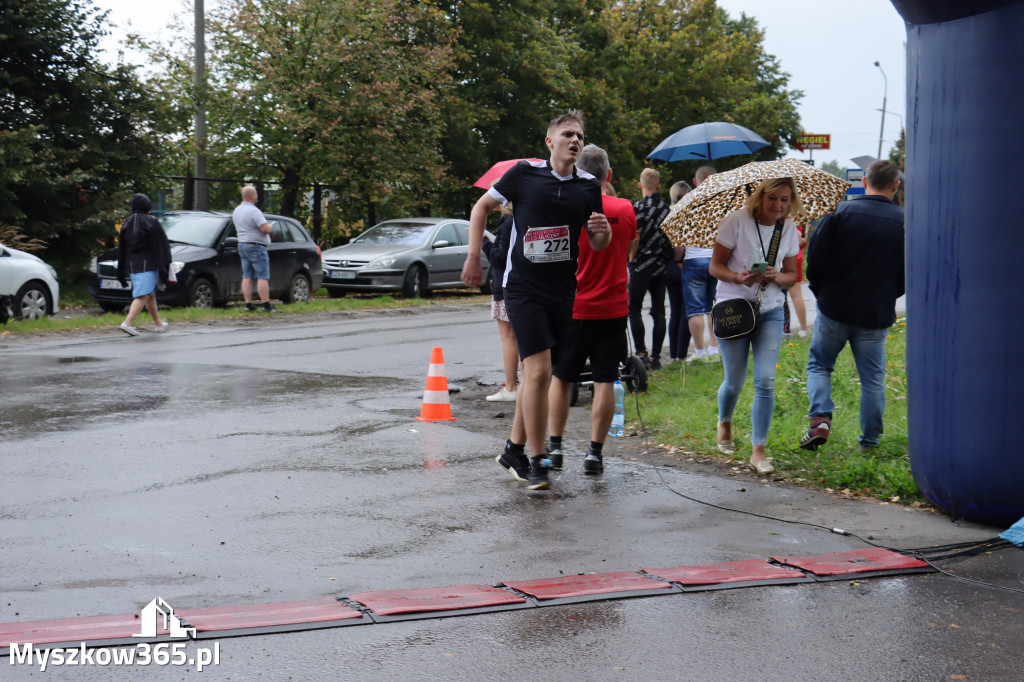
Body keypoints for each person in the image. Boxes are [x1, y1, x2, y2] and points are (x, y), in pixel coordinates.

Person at [461, 110, 611, 490]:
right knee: (540, 371)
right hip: (522, 287)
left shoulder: (589, 186)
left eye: (579, 135)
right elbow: (481, 208)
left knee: (537, 377)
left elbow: (597, 242)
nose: (574, 140)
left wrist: (603, 232)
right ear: (550, 141)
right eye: (567, 134)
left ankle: (513, 448)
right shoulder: (524, 174)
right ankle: (537, 460)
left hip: (562, 291)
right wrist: (473, 256)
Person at [800, 160, 905, 452]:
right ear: (895, 186)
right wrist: (889, 295)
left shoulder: (840, 213)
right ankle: (869, 442)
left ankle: (820, 419)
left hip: (834, 306)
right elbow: (907, 272)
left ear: (865, 181)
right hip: (874, 313)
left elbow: (816, 259)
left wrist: (820, 291)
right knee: (873, 379)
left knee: (820, 365)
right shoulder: (905, 222)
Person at [547, 144, 637, 474]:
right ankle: (594, 454)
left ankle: (554, 448)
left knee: (561, 378)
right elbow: (627, 248)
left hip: (573, 306)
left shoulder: (565, 207)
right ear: (609, 175)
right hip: (613, 307)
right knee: (605, 380)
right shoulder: (625, 208)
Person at [709, 178, 801, 474]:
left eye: (785, 200)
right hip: (734, 310)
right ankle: (724, 422)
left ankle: (758, 451)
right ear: (760, 197)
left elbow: (792, 276)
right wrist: (738, 278)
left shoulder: (787, 229)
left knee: (765, 381)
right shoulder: (735, 222)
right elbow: (715, 267)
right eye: (772, 198)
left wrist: (776, 277)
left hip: (770, 311)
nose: (778, 205)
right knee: (734, 381)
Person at [628, 168, 672, 370]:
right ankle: (656, 358)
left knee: (634, 309)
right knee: (659, 312)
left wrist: (631, 258)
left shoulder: (637, 208)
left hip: (641, 265)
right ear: (659, 186)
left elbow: (635, 237)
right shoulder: (666, 209)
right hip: (660, 265)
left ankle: (641, 353)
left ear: (640, 185)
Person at [116, 193, 171, 336]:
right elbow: (161, 244)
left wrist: (122, 267)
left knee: (150, 294)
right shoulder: (151, 221)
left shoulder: (127, 222)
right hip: (149, 264)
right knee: (143, 295)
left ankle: (158, 324)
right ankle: (127, 323)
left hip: (132, 265)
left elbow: (122, 247)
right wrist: (165, 263)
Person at [682, 164, 721, 363]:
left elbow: (678, 237)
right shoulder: (721, 203)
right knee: (714, 307)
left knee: (695, 309)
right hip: (716, 260)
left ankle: (699, 352)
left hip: (693, 259)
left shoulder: (687, 203)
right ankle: (715, 349)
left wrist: (678, 259)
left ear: (695, 182)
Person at [481, 204, 519, 402]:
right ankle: (522, 382)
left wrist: (484, 242)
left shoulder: (507, 222)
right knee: (519, 336)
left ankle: (511, 386)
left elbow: (500, 257)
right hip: (520, 283)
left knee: (508, 337)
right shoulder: (521, 217)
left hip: (505, 285)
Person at [233, 185, 279, 313]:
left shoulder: (237, 210)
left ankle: (248, 304)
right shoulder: (254, 211)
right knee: (262, 276)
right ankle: (266, 305)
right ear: (252, 196)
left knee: (247, 275)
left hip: (242, 244)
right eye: (256, 194)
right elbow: (264, 228)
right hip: (255, 246)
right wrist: (270, 227)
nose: (257, 196)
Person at [665, 180, 693, 363]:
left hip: (668, 267)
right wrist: (679, 259)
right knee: (686, 311)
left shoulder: (667, 212)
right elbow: (680, 245)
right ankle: (681, 355)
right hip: (682, 264)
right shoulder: (687, 213)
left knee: (675, 311)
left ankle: (673, 353)